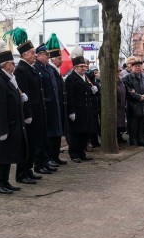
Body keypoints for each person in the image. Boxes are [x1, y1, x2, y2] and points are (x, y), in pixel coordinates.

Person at [7, 27, 50, 180]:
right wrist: (27, 114)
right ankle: (22, 173)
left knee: (34, 143)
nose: (34, 55)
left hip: (37, 111)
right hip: (29, 114)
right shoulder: (22, 70)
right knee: (27, 144)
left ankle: (29, 170)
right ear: (24, 54)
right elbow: (23, 95)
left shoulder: (31, 69)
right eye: (32, 52)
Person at [0, 40, 25, 194]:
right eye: (11, 63)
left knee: (8, 155)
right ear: (4, 65)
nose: (14, 66)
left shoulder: (8, 79)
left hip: (12, 125)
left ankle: (6, 181)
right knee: (0, 156)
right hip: (3, 126)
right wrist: (2, 130)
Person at [65, 47, 98, 162]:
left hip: (86, 109)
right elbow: (70, 96)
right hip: (77, 110)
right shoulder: (70, 79)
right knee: (76, 133)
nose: (84, 68)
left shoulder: (85, 77)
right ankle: (74, 154)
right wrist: (71, 111)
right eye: (81, 66)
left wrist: (92, 90)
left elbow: (86, 92)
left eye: (85, 66)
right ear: (75, 67)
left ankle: (81, 152)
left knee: (85, 132)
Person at [34, 45, 62, 169]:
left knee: (56, 133)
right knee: (48, 135)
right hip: (46, 106)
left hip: (53, 105)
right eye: (46, 55)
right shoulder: (36, 68)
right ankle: (47, 159)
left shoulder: (49, 68)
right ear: (38, 55)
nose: (48, 57)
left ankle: (53, 157)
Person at [43, 34, 68, 165]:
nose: (61, 60)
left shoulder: (56, 71)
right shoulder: (49, 71)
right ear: (52, 59)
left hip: (58, 106)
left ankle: (55, 155)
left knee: (58, 133)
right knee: (52, 134)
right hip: (51, 107)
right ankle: (50, 157)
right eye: (59, 58)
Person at [124, 59, 144, 147]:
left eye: (139, 66)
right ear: (131, 67)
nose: (137, 67)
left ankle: (142, 140)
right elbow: (129, 91)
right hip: (133, 105)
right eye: (135, 66)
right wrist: (139, 97)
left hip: (143, 104)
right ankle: (134, 141)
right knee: (133, 124)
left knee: (143, 124)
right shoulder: (127, 78)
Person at [116, 70, 128, 143]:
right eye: (118, 71)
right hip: (116, 105)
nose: (119, 73)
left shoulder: (121, 81)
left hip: (122, 105)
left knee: (120, 123)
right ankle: (116, 138)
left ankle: (119, 136)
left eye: (120, 71)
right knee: (115, 123)